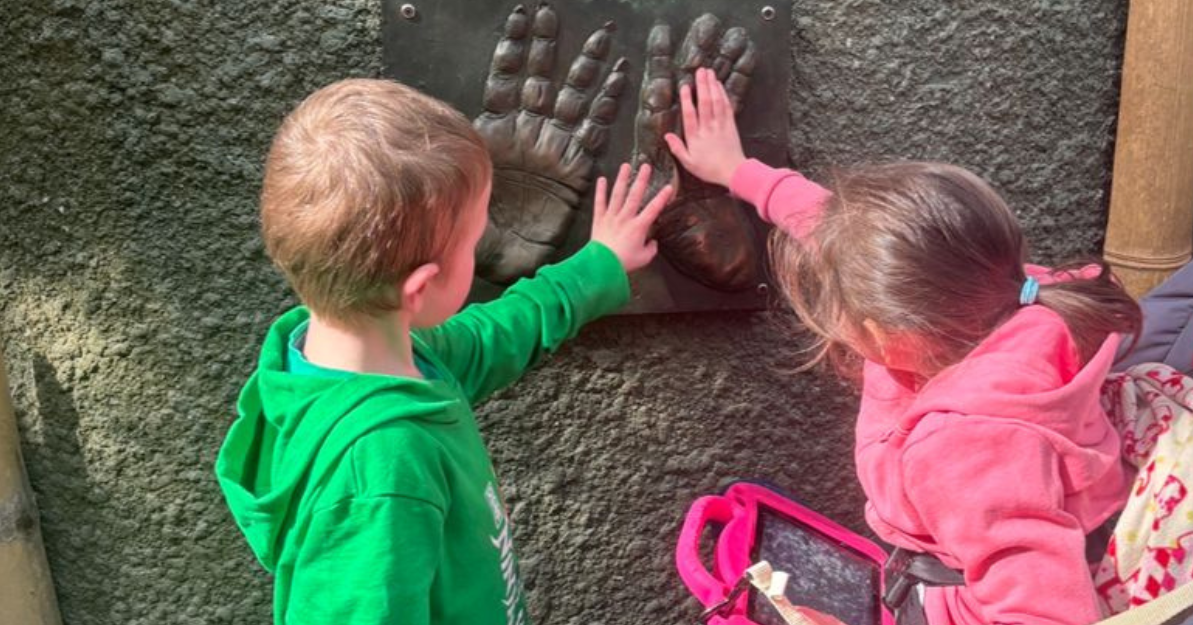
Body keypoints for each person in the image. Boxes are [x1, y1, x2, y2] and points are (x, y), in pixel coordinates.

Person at [666, 68, 1142, 624]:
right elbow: (841, 233)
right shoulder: (1002, 292)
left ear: (881, 332)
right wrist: (738, 172)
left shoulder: (967, 449)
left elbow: (1044, 614)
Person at [215, 78, 670, 624]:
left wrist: (598, 267)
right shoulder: (380, 475)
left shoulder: (358, 357)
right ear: (422, 287)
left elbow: (490, 337)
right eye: (476, 241)